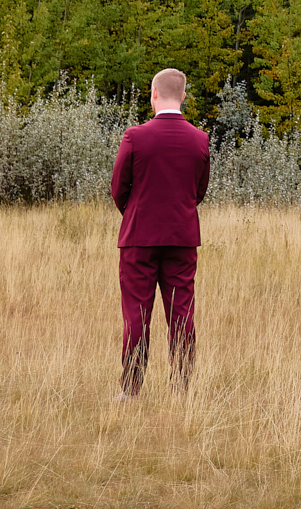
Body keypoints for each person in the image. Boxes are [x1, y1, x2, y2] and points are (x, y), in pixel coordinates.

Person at [110, 67, 211, 397]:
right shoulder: (200, 140)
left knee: (137, 314)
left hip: (139, 238)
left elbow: (118, 189)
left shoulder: (135, 137)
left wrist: (137, 212)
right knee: (182, 313)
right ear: (183, 97)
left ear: (153, 94)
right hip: (182, 238)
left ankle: (131, 389)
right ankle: (181, 387)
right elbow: (199, 191)